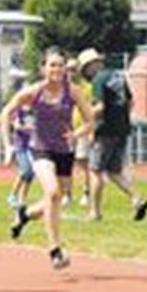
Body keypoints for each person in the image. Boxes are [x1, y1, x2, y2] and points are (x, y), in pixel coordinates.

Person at [1, 47, 94, 270]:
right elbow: (6, 112)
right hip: (40, 148)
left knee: (56, 199)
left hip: (64, 150)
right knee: (52, 193)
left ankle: (25, 214)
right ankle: (55, 250)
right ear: (43, 68)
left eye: (61, 65)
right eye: (52, 65)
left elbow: (90, 121)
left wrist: (77, 134)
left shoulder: (73, 91)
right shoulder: (34, 92)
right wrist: (8, 145)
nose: (57, 69)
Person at [78, 48, 147, 223]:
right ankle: (136, 198)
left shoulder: (98, 80)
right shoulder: (118, 76)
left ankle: (94, 212)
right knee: (113, 171)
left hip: (105, 131)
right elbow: (131, 102)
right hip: (122, 129)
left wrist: (86, 116)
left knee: (95, 171)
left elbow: (100, 107)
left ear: (90, 66)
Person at [66, 58, 93, 208]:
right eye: (68, 69)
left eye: (73, 69)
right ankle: (67, 194)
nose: (70, 72)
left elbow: (90, 110)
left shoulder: (87, 88)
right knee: (66, 164)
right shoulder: (62, 87)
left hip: (82, 130)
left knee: (83, 163)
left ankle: (86, 193)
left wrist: (90, 131)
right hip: (66, 131)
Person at [3, 106, 35, 208]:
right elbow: (16, 126)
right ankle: (12, 195)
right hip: (20, 146)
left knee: (30, 173)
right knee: (26, 170)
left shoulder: (35, 110)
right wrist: (29, 128)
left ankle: (21, 199)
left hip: (33, 146)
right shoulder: (19, 111)